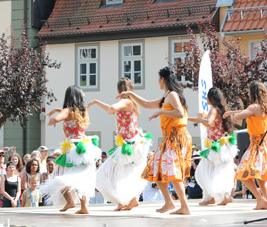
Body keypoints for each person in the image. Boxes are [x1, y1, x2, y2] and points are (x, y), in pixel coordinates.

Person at [118, 67, 191, 215]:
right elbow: (146, 104)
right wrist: (131, 94)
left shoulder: (172, 95)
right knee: (154, 169)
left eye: (158, 79)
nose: (158, 81)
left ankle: (184, 207)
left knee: (173, 173)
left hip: (176, 138)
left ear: (162, 79)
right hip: (170, 139)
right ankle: (170, 202)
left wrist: (162, 111)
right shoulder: (166, 96)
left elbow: (179, 113)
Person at [88, 77, 152, 211]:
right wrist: (97, 102)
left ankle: (126, 200)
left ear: (120, 90)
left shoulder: (126, 101)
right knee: (122, 173)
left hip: (130, 145)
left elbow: (112, 108)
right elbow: (110, 108)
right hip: (128, 144)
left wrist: (111, 107)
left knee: (107, 174)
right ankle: (127, 201)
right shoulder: (128, 102)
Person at [41, 85, 101, 214]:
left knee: (59, 175)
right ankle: (84, 207)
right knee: (81, 178)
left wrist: (53, 119)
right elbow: (66, 114)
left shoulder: (67, 111)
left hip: (73, 149)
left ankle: (70, 201)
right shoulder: (83, 111)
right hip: (84, 147)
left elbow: (55, 119)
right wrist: (58, 110)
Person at [224, 81, 267, 211]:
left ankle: (260, 199)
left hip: (258, 145)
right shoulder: (263, 107)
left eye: (249, 91)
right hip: (266, 144)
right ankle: (265, 203)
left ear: (253, 92)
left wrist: (234, 116)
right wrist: (231, 111)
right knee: (261, 177)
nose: (248, 94)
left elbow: (239, 117)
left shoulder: (253, 107)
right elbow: (248, 111)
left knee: (242, 174)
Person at [188, 87, 237, 206]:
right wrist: (186, 118)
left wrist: (199, 117)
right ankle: (215, 197)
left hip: (216, 147)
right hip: (220, 146)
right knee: (211, 171)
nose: (206, 99)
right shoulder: (219, 110)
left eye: (207, 96)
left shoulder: (213, 109)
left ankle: (221, 196)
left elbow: (207, 122)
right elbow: (205, 121)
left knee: (205, 172)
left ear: (211, 97)